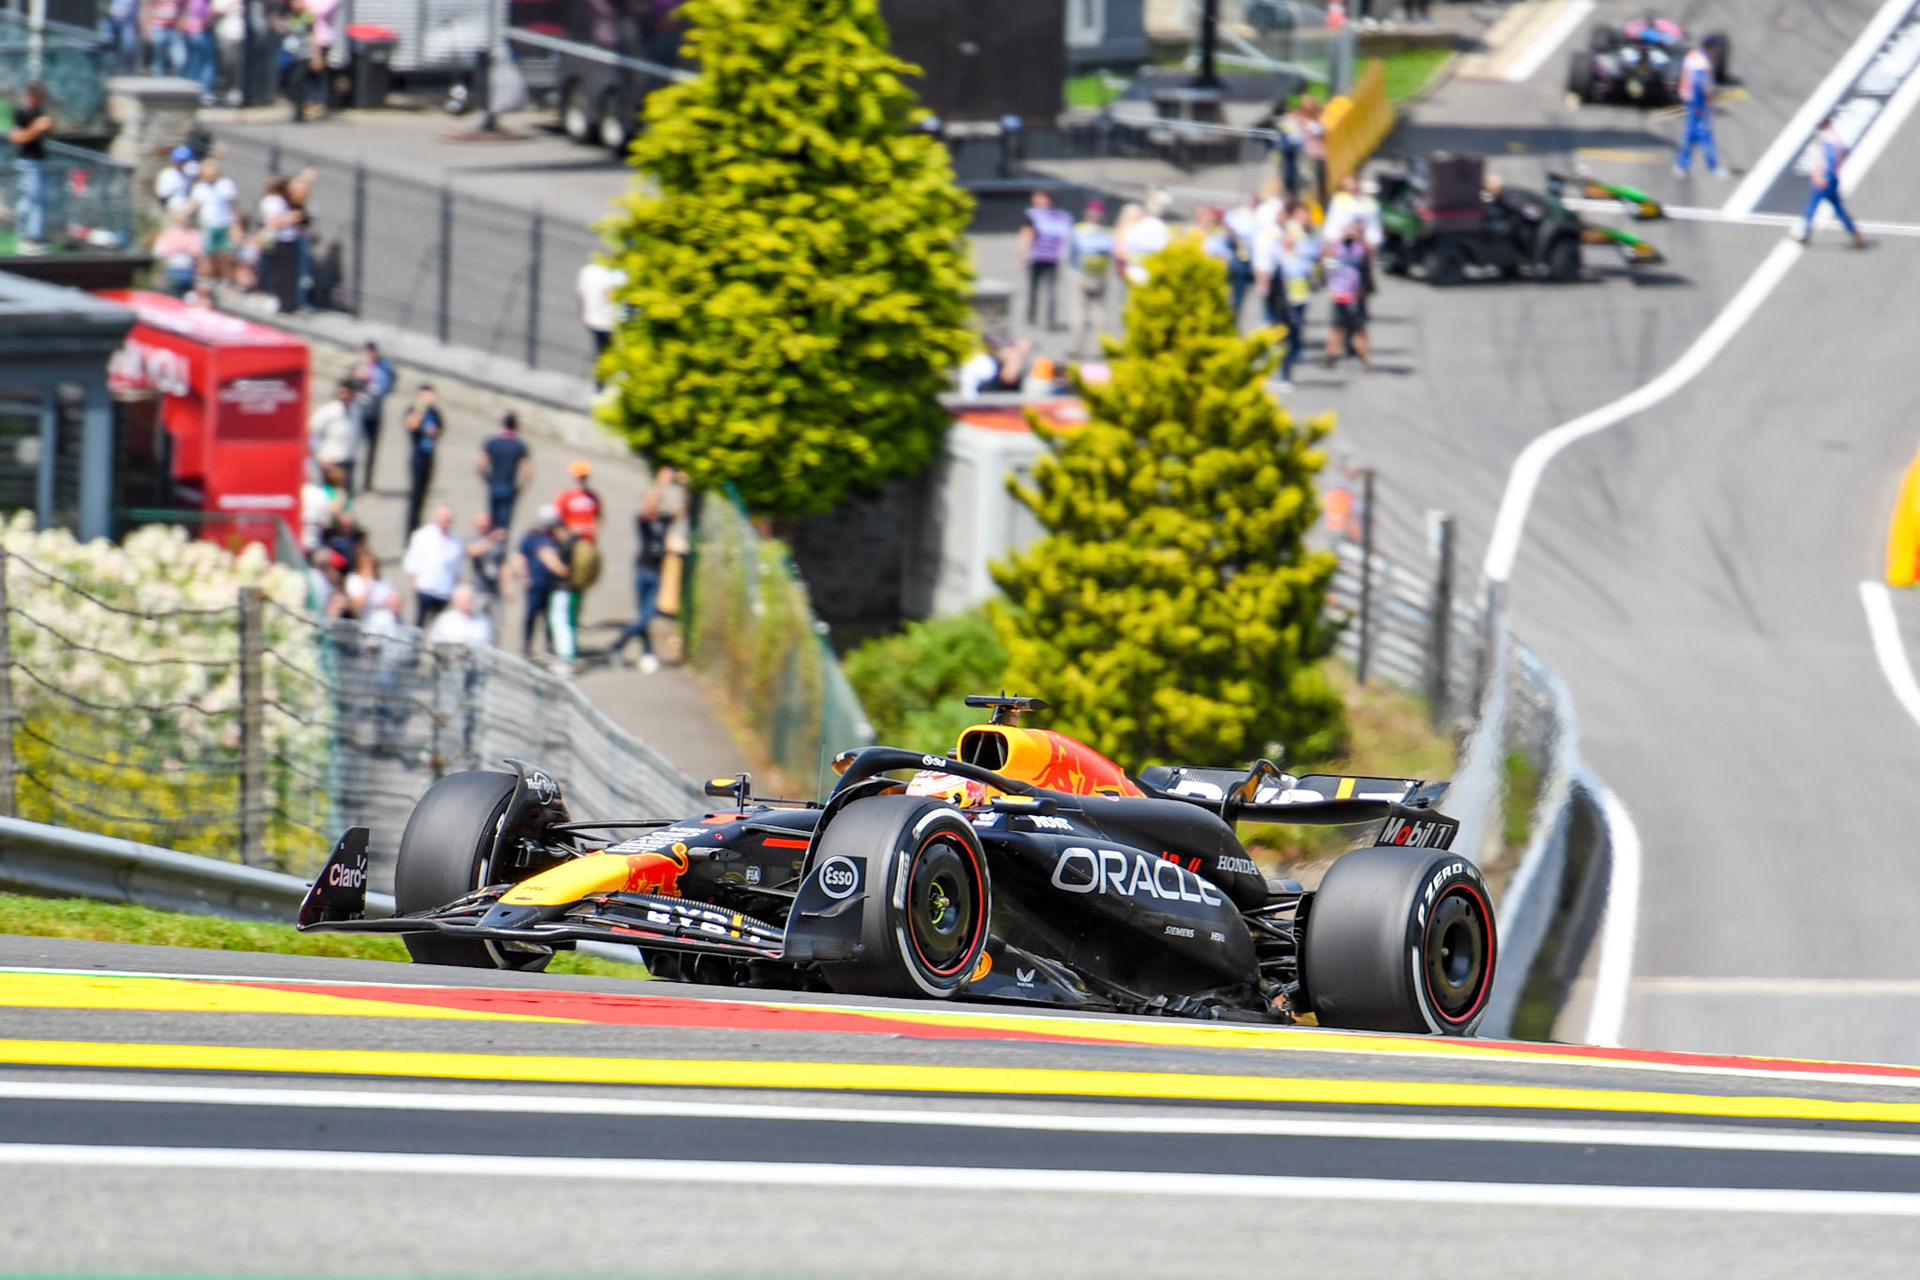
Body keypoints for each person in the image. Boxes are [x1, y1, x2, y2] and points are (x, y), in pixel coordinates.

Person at [610, 467, 682, 673]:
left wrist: (686, 486)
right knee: (644, 616)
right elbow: (647, 504)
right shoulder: (643, 521)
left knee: (646, 616)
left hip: (656, 573)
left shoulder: (663, 521)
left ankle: (620, 646)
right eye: (652, 503)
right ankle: (647, 653)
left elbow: (681, 510)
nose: (655, 505)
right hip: (642, 571)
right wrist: (661, 484)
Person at [1795, 115, 1868, 248]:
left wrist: (1822, 176)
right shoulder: (1836, 138)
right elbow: (1844, 153)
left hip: (1824, 180)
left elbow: (1828, 159)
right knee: (1838, 208)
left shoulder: (1826, 139)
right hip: (1833, 178)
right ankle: (1855, 234)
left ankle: (1806, 235)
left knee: (1811, 207)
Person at [516, 507, 575, 671]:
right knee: (531, 616)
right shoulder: (532, 535)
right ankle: (526, 646)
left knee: (549, 618)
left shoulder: (554, 536)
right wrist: (524, 576)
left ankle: (550, 647)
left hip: (551, 585)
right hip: (535, 583)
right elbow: (520, 555)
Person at [1018, 189, 1072, 331]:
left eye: (1039, 198)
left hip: (1046, 257)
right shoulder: (1062, 216)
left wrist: (1022, 254)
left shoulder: (1034, 215)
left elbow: (1026, 234)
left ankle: (1044, 318)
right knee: (1036, 288)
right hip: (1042, 256)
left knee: (1047, 289)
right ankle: (1033, 314)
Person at [403, 504, 464, 628]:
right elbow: (412, 561)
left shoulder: (455, 542)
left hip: (444, 590)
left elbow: (457, 569)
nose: (446, 523)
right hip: (426, 587)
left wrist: (454, 590)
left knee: (439, 625)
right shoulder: (423, 535)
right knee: (420, 623)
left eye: (448, 521)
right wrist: (415, 584)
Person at [1068, 199, 1114, 358]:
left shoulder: (1078, 230)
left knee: (1078, 312)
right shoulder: (1108, 232)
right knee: (1100, 313)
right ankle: (1100, 348)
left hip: (1080, 273)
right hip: (1100, 275)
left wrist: (1073, 270)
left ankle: (1077, 347)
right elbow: (1111, 254)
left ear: (1087, 213)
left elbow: (1072, 253)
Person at [9, 82, 51, 254]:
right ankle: (29, 238)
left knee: (34, 200)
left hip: (38, 161)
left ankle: (31, 237)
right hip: (28, 162)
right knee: (32, 201)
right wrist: (36, 128)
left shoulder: (38, 111)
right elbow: (17, 137)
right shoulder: (23, 112)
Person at [1674, 41, 1726, 179]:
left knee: (1689, 134)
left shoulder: (1692, 56)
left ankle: (1681, 165)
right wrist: (1702, 106)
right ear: (1710, 48)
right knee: (1705, 135)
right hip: (1698, 103)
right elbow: (1701, 85)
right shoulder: (1702, 63)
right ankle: (1713, 167)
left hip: (1689, 100)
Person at [1323, 225, 1371, 370]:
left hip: (1356, 295)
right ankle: (1331, 356)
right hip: (1339, 293)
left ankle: (1363, 357)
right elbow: (1326, 260)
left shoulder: (1359, 247)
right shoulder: (1337, 247)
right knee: (1336, 327)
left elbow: (1367, 257)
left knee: (1359, 327)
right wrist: (1339, 241)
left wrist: (1359, 238)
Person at [476, 413, 531, 531]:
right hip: (509, 486)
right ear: (516, 426)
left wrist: (488, 479)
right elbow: (527, 472)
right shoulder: (519, 446)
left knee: (492, 521)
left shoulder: (492, 443)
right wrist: (520, 488)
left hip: (494, 484)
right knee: (504, 525)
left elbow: (480, 465)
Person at [186, 157, 236, 285]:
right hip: (209, 225)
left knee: (224, 255)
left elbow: (233, 206)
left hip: (224, 224)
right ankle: (209, 279)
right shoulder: (201, 188)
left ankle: (224, 280)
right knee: (208, 255)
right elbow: (193, 204)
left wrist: (236, 224)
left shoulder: (226, 184)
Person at [353, 340, 394, 491]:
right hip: (361, 412)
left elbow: (390, 382)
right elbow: (352, 386)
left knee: (372, 450)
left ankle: (367, 483)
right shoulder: (359, 366)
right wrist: (360, 377)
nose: (370, 355)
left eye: (372, 352)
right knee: (356, 447)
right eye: (367, 352)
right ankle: (352, 480)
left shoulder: (384, 366)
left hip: (376, 412)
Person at [307, 378, 361, 493]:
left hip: (348, 459)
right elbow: (311, 430)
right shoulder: (329, 411)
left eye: (351, 392)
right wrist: (319, 457)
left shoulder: (356, 410)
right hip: (331, 461)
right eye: (344, 392)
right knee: (331, 496)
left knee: (346, 497)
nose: (347, 396)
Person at [576, 258, 626, 380]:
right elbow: (611, 296)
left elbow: (581, 294)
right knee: (612, 352)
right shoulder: (614, 275)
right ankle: (608, 380)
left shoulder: (587, 272)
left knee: (599, 352)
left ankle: (600, 382)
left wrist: (581, 313)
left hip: (592, 319)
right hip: (609, 322)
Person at [402, 384, 442, 534]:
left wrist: (434, 432)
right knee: (415, 497)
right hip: (417, 458)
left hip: (429, 457)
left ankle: (418, 529)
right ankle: (410, 532)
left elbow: (440, 431)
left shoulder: (435, 413)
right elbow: (411, 425)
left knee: (423, 498)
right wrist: (421, 409)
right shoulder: (413, 410)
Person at [466, 509, 509, 628]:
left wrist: (507, 586)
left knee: (495, 627)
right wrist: (492, 538)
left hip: (494, 591)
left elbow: (502, 563)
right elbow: (473, 551)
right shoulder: (473, 538)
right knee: (476, 625)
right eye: (480, 522)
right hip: (479, 591)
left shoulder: (498, 543)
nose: (483, 525)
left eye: (485, 522)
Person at [1223, 193, 1259, 326]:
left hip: (1246, 260)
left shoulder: (1254, 217)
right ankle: (1232, 320)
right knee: (1237, 294)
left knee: (1239, 294)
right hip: (1240, 260)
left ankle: (1233, 319)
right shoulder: (1241, 216)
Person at [427, 584, 493, 649]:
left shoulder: (481, 620)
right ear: (457, 600)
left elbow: (488, 643)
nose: (470, 601)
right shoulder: (446, 620)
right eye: (467, 599)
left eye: (472, 598)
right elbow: (435, 644)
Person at [153, 209, 201, 295]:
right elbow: (198, 252)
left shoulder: (166, 235)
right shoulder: (192, 234)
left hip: (173, 270)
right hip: (187, 271)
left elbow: (158, 253)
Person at [555, 460, 602, 542]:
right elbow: (558, 520)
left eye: (584, 477)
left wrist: (594, 529)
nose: (581, 480)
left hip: (588, 540)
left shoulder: (593, 497)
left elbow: (599, 517)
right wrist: (569, 532)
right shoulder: (565, 496)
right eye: (579, 477)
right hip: (571, 539)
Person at [155, 145, 197, 212]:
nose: (180, 164)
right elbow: (162, 196)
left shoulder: (189, 173)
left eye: (183, 161)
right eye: (179, 161)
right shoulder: (168, 175)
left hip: (187, 210)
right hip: (174, 210)